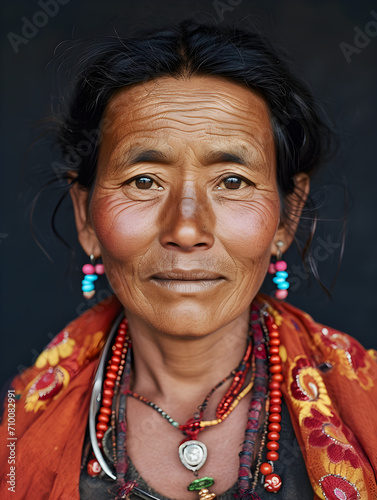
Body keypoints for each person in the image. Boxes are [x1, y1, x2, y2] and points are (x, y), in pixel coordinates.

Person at [1, 19, 377, 500]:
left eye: (233, 181)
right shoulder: (15, 428)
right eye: (144, 181)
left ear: (288, 216)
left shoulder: (365, 409)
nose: (185, 230)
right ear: (85, 215)